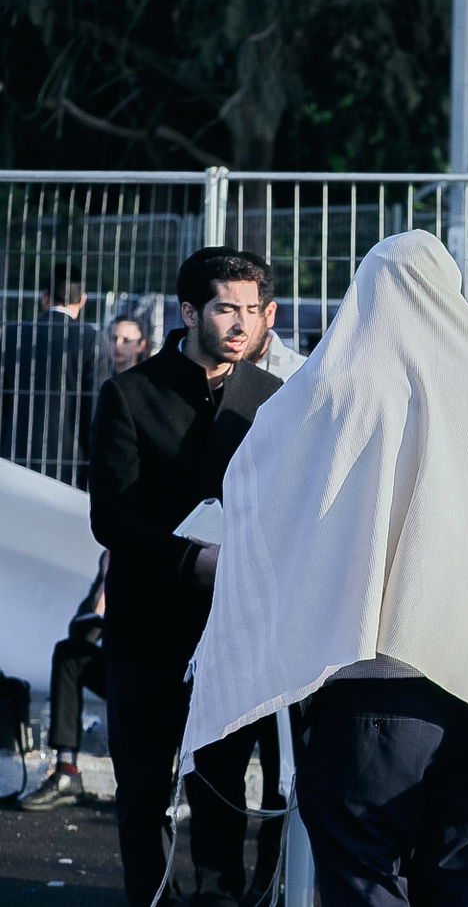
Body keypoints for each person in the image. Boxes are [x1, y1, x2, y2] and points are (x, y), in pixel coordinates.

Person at [178, 231, 468, 907]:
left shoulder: (336, 383)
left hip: (369, 685)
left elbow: (256, 482)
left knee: (362, 877)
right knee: (464, 879)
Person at [88, 245, 284, 907]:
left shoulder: (272, 400)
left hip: (235, 630)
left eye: (252, 311)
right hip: (147, 629)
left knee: (224, 783)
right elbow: (112, 515)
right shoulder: (130, 393)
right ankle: (152, 895)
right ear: (189, 310)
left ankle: (221, 896)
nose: (241, 324)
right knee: (143, 787)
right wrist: (191, 559)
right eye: (227, 308)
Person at [18, 554, 108, 811]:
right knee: (69, 655)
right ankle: (67, 770)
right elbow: (82, 633)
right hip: (121, 669)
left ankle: (179, 789)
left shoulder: (161, 550)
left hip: (158, 670)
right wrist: (103, 594)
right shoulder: (111, 557)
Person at [1, 262, 101, 488]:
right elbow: (93, 408)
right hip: (68, 459)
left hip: (13, 455)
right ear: (82, 300)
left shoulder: (11, 334)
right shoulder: (90, 339)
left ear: (45, 297)